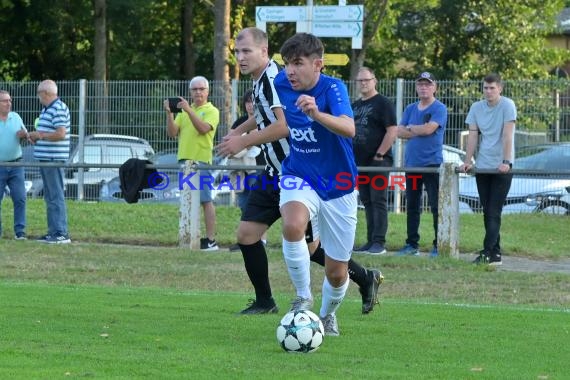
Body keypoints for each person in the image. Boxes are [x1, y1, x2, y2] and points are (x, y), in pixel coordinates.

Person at [217, 27, 382, 317]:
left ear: (264, 53)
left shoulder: (277, 79)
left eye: (246, 52)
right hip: (281, 172)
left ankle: (357, 281)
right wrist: (238, 130)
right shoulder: (266, 82)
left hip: (302, 172)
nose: (239, 58)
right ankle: (271, 299)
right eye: (236, 52)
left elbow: (282, 126)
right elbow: (263, 114)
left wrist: (242, 140)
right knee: (249, 234)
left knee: (316, 250)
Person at [274, 32, 360, 336]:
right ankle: (302, 296)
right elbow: (282, 123)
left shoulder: (333, 88)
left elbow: (349, 128)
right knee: (293, 224)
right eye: (286, 64)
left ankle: (326, 315)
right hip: (300, 172)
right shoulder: (280, 84)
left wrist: (316, 113)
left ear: (318, 64)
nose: (290, 71)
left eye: (297, 63)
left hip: (339, 183)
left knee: (337, 273)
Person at [459, 73, 516, 266]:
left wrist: (506, 161)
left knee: (494, 210)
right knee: (487, 210)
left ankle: (487, 252)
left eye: (492, 88)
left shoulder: (508, 105)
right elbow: (473, 136)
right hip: (483, 166)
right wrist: (468, 161)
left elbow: (508, 136)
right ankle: (496, 254)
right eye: (485, 88)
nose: (488, 91)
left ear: (500, 88)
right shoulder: (476, 107)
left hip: (501, 167)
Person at [163, 76, 220, 251]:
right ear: (190, 92)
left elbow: (203, 129)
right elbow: (172, 133)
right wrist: (170, 114)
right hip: (185, 160)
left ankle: (211, 240)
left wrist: (188, 110)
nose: (198, 92)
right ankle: (190, 235)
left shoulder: (212, 110)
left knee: (205, 200)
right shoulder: (184, 112)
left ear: (207, 91)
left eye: (201, 89)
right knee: (187, 200)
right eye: (194, 89)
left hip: (201, 160)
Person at [396, 72, 447, 257]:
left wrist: (411, 128)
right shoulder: (410, 108)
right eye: (420, 84)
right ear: (416, 87)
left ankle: (438, 244)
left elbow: (429, 129)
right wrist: (416, 130)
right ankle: (411, 244)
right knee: (412, 205)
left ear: (435, 87)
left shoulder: (439, 108)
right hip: (412, 165)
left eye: (427, 84)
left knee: (435, 206)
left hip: (432, 164)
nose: (424, 88)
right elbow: (399, 132)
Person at [351, 67, 398, 255]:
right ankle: (370, 241)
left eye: (367, 80)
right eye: (360, 80)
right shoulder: (355, 106)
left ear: (374, 80)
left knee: (378, 200)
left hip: (378, 161)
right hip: (360, 163)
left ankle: (379, 242)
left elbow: (392, 130)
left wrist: (380, 154)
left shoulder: (383, 103)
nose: (363, 83)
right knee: (367, 201)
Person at [28, 80, 72, 244]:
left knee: (55, 195)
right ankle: (53, 231)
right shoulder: (47, 109)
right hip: (46, 158)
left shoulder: (58, 108)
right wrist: (37, 137)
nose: (38, 97)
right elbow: (50, 133)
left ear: (45, 93)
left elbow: (60, 134)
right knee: (50, 196)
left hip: (54, 159)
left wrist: (40, 135)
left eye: (39, 94)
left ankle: (61, 233)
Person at [227, 89, 266, 251]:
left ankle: (261, 240)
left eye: (253, 101)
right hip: (240, 169)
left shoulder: (265, 121)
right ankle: (246, 239)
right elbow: (230, 140)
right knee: (244, 203)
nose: (251, 105)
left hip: (257, 168)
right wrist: (247, 138)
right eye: (248, 102)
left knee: (257, 203)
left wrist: (244, 140)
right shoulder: (240, 122)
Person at [0, 90, 29, 240]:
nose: (8, 103)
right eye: (5, 101)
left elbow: (26, 136)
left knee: (20, 198)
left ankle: (20, 232)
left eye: (9, 100)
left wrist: (24, 136)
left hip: (16, 165)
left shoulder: (16, 117)